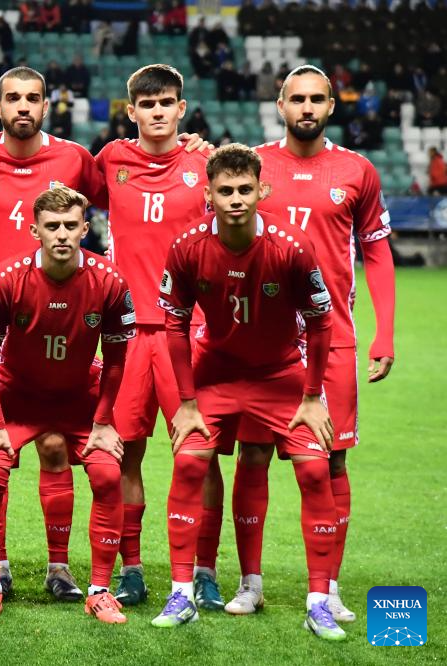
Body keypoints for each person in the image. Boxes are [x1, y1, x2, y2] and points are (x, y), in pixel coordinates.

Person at [153, 143, 344, 641]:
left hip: (280, 376)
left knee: (315, 471)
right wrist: (187, 403)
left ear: (263, 190)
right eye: (225, 191)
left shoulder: (292, 246)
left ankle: (319, 603)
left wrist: (312, 396)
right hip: (216, 373)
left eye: (244, 189)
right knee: (189, 462)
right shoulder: (187, 246)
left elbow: (321, 322)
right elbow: (174, 325)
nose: (235, 199)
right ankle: (182, 594)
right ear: (208, 195)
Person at [228, 65, 395, 624]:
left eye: (316, 99)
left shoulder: (357, 170)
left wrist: (384, 332)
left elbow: (377, 250)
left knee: (330, 461)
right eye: (296, 98)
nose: (306, 107)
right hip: (261, 342)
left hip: (334, 339)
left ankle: (329, 587)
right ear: (280, 105)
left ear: (330, 106)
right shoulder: (253, 166)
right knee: (254, 454)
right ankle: (250, 582)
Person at [0, 66, 109, 601]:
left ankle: (59, 568)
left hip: (58, 325)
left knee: (56, 447)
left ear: (47, 105)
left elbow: (117, 196)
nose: (24, 106)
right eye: (13, 98)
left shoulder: (74, 159)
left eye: (33, 98)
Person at [0, 185, 136, 623]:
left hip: (79, 397)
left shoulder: (109, 281)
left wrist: (103, 421)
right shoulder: (8, 279)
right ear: (35, 230)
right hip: (17, 397)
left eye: (70, 225)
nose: (61, 234)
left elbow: (116, 360)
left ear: (85, 228)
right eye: (52, 226)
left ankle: (99, 591)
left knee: (107, 473)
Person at [94, 64, 226, 610]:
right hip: (126, 332)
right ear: (131, 111)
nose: (156, 112)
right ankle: (131, 569)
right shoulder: (110, 160)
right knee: (125, 453)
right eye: (146, 104)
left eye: (166, 102)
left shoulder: (204, 163)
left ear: (181, 108)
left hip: (189, 331)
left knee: (201, 454)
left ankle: (205, 570)